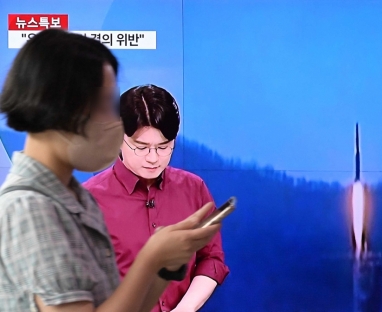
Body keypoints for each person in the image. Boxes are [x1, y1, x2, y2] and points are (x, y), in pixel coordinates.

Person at [0, 29, 221, 312]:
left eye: (164, 146)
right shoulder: (38, 208)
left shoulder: (70, 199)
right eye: (102, 106)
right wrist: (151, 261)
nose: (110, 124)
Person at [83, 84, 229, 312]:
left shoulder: (193, 188)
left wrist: (185, 308)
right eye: (141, 147)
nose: (153, 158)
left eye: (163, 147)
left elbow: (211, 259)